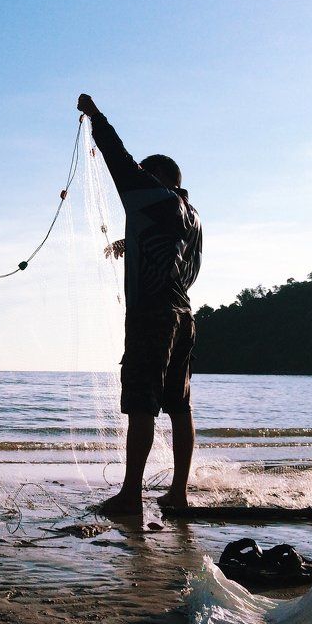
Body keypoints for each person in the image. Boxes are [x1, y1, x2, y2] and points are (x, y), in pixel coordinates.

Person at [76, 94, 203, 516]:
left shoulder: (153, 194)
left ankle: (131, 494)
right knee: (179, 406)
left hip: (153, 316)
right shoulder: (192, 214)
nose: (139, 181)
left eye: (147, 176)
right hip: (184, 315)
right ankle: (178, 492)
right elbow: (183, 261)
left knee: (141, 403)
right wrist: (129, 244)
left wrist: (96, 117)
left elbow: (119, 160)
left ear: (158, 178)